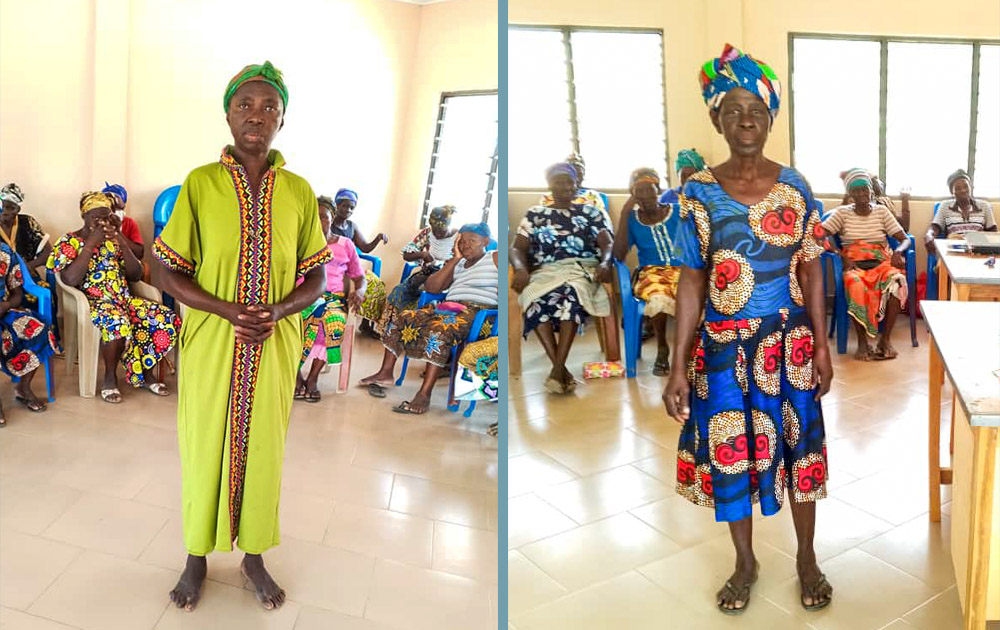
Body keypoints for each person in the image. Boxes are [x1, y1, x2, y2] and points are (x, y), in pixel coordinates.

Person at [662, 44, 834, 615]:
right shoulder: (698, 192)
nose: (745, 121)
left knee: (800, 447)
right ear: (716, 118)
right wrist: (679, 358)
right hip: (721, 348)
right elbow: (691, 278)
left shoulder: (796, 187)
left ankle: (807, 557)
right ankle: (745, 561)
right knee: (732, 453)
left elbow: (811, 265)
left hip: (789, 343)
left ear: (770, 119)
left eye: (756, 111)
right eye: (733, 110)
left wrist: (824, 346)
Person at [152, 61, 330, 612]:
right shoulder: (201, 184)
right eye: (245, 105)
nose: (257, 115)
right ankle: (195, 557)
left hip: (275, 344)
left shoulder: (299, 191)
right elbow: (165, 272)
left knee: (265, 450)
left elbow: (318, 274)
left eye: (268, 106)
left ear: (283, 118)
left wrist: (280, 308)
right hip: (212, 340)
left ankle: (254, 555)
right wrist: (229, 310)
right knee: (204, 444)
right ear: (228, 113)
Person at [48, 191, 178, 403]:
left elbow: (135, 275)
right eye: (96, 217)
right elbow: (69, 279)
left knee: (164, 318)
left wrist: (121, 241)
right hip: (93, 303)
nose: (102, 222)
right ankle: (110, 379)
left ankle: (146, 373)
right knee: (117, 322)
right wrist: (91, 244)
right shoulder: (70, 241)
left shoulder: (114, 240)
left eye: (106, 217)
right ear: (84, 217)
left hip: (124, 300)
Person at [359, 223, 498, 415]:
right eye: (462, 241)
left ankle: (424, 394)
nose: (466, 245)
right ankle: (386, 373)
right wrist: (455, 259)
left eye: (471, 241)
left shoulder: (495, 258)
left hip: (480, 313)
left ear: (486, 242)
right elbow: (433, 288)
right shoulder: (458, 263)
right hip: (449, 308)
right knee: (402, 318)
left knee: (439, 331)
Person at [511, 162, 612, 394]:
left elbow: (607, 244)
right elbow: (517, 248)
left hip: (580, 269)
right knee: (534, 300)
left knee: (570, 295)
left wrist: (605, 262)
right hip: (545, 271)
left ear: (577, 184)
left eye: (570, 181)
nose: (565, 186)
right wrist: (520, 268)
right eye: (559, 181)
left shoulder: (591, 212)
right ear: (549, 185)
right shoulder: (535, 214)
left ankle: (557, 369)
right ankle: (560, 369)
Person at [821, 168, 910, 361]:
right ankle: (862, 344)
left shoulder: (882, 211)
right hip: (855, 266)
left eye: (865, 189)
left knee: (899, 281)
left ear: (871, 191)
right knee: (855, 284)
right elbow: (818, 236)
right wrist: (838, 254)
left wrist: (898, 251)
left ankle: (885, 341)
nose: (862, 194)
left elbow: (905, 238)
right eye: (856, 190)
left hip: (881, 263)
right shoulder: (841, 214)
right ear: (850, 194)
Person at [613, 167, 683, 375]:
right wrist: (625, 215)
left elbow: (694, 240)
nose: (644, 196)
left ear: (658, 189)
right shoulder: (633, 220)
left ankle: (692, 350)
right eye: (638, 192)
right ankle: (662, 347)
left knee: (696, 293)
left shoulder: (677, 211)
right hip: (651, 271)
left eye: (649, 190)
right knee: (657, 295)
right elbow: (618, 255)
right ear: (632, 196)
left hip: (683, 268)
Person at [295, 198, 367, 402]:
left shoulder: (346, 245)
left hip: (333, 299)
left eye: (323, 217)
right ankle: (295, 376)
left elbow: (359, 277)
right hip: (303, 296)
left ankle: (312, 378)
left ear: (332, 218)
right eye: (314, 217)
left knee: (333, 320)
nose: (318, 222)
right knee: (288, 321)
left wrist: (360, 291)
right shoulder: (299, 244)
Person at [0, 242, 57, 425]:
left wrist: (6, 305)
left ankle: (23, 388)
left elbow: (17, 294)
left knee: (37, 328)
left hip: (3, 310)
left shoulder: (5, 252)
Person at [378, 204, 457, 333]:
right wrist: (423, 254)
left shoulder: (458, 239)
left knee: (425, 301)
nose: (436, 233)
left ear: (448, 225)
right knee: (398, 292)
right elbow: (406, 255)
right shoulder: (427, 233)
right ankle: (390, 332)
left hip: (446, 281)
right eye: (434, 229)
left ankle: (412, 335)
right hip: (425, 276)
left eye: (440, 230)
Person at [327, 190, 387, 328]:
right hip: (333, 266)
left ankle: (366, 324)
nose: (348, 210)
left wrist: (378, 238)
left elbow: (365, 248)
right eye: (344, 206)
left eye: (351, 207)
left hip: (349, 267)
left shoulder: (352, 226)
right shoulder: (328, 224)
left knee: (376, 285)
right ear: (337, 205)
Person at [924, 169, 997, 254]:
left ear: (971, 187)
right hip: (954, 252)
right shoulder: (945, 206)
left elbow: (993, 233)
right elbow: (934, 228)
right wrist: (929, 235)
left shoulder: (984, 206)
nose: (963, 190)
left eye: (966, 186)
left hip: (978, 252)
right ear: (952, 191)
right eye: (958, 188)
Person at [540, 153, 613, 229]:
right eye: (572, 174)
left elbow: (604, 224)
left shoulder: (592, 196)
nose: (577, 178)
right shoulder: (547, 198)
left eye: (580, 174)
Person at [0, 183, 53, 282]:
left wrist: (28, 266)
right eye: (3, 206)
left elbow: (48, 252)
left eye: (11, 208)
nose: (5, 211)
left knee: (42, 294)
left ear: (18, 210)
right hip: (1, 279)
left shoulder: (27, 222)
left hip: (26, 276)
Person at [840, 173, 910, 232]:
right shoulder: (850, 203)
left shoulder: (884, 203)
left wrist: (905, 199)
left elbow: (904, 228)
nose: (861, 193)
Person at [101, 182, 145, 260]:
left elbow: (139, 253)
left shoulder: (129, 223)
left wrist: (117, 233)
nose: (114, 213)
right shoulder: (97, 223)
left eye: (118, 209)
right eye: (111, 209)